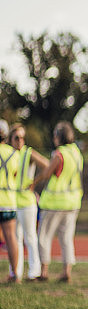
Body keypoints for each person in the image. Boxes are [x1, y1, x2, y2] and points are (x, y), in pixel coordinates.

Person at [32, 121, 83, 283]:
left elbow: (47, 172)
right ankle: (66, 271)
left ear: (59, 137)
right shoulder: (76, 153)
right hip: (73, 202)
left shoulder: (59, 154)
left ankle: (44, 271)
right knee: (66, 238)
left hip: (54, 203)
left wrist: (33, 182)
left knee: (43, 237)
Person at [9, 123, 49, 280]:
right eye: (17, 138)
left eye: (22, 138)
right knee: (15, 238)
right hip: (12, 201)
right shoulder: (9, 154)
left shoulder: (28, 153)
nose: (20, 141)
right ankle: (16, 272)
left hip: (26, 202)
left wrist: (35, 181)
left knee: (30, 237)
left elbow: (47, 165)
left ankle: (34, 272)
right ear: (10, 139)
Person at [0, 120, 21, 284]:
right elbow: (15, 176)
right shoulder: (14, 154)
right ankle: (15, 274)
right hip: (9, 201)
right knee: (11, 238)